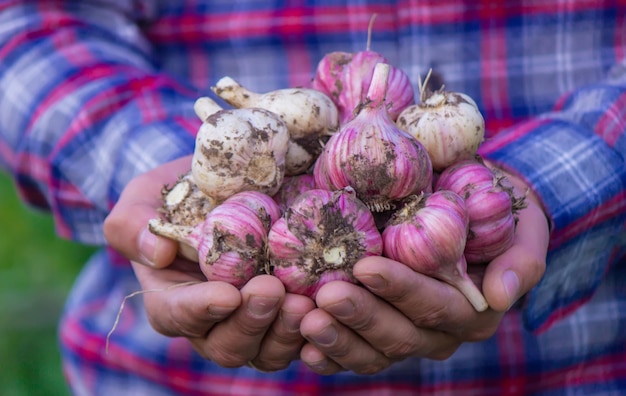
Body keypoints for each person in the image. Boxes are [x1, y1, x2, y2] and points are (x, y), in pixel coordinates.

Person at [0, 0, 624, 394]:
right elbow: (29, 20)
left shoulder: (376, 160)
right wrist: (158, 171)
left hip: (577, 366)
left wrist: (551, 181)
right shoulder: (292, 149)